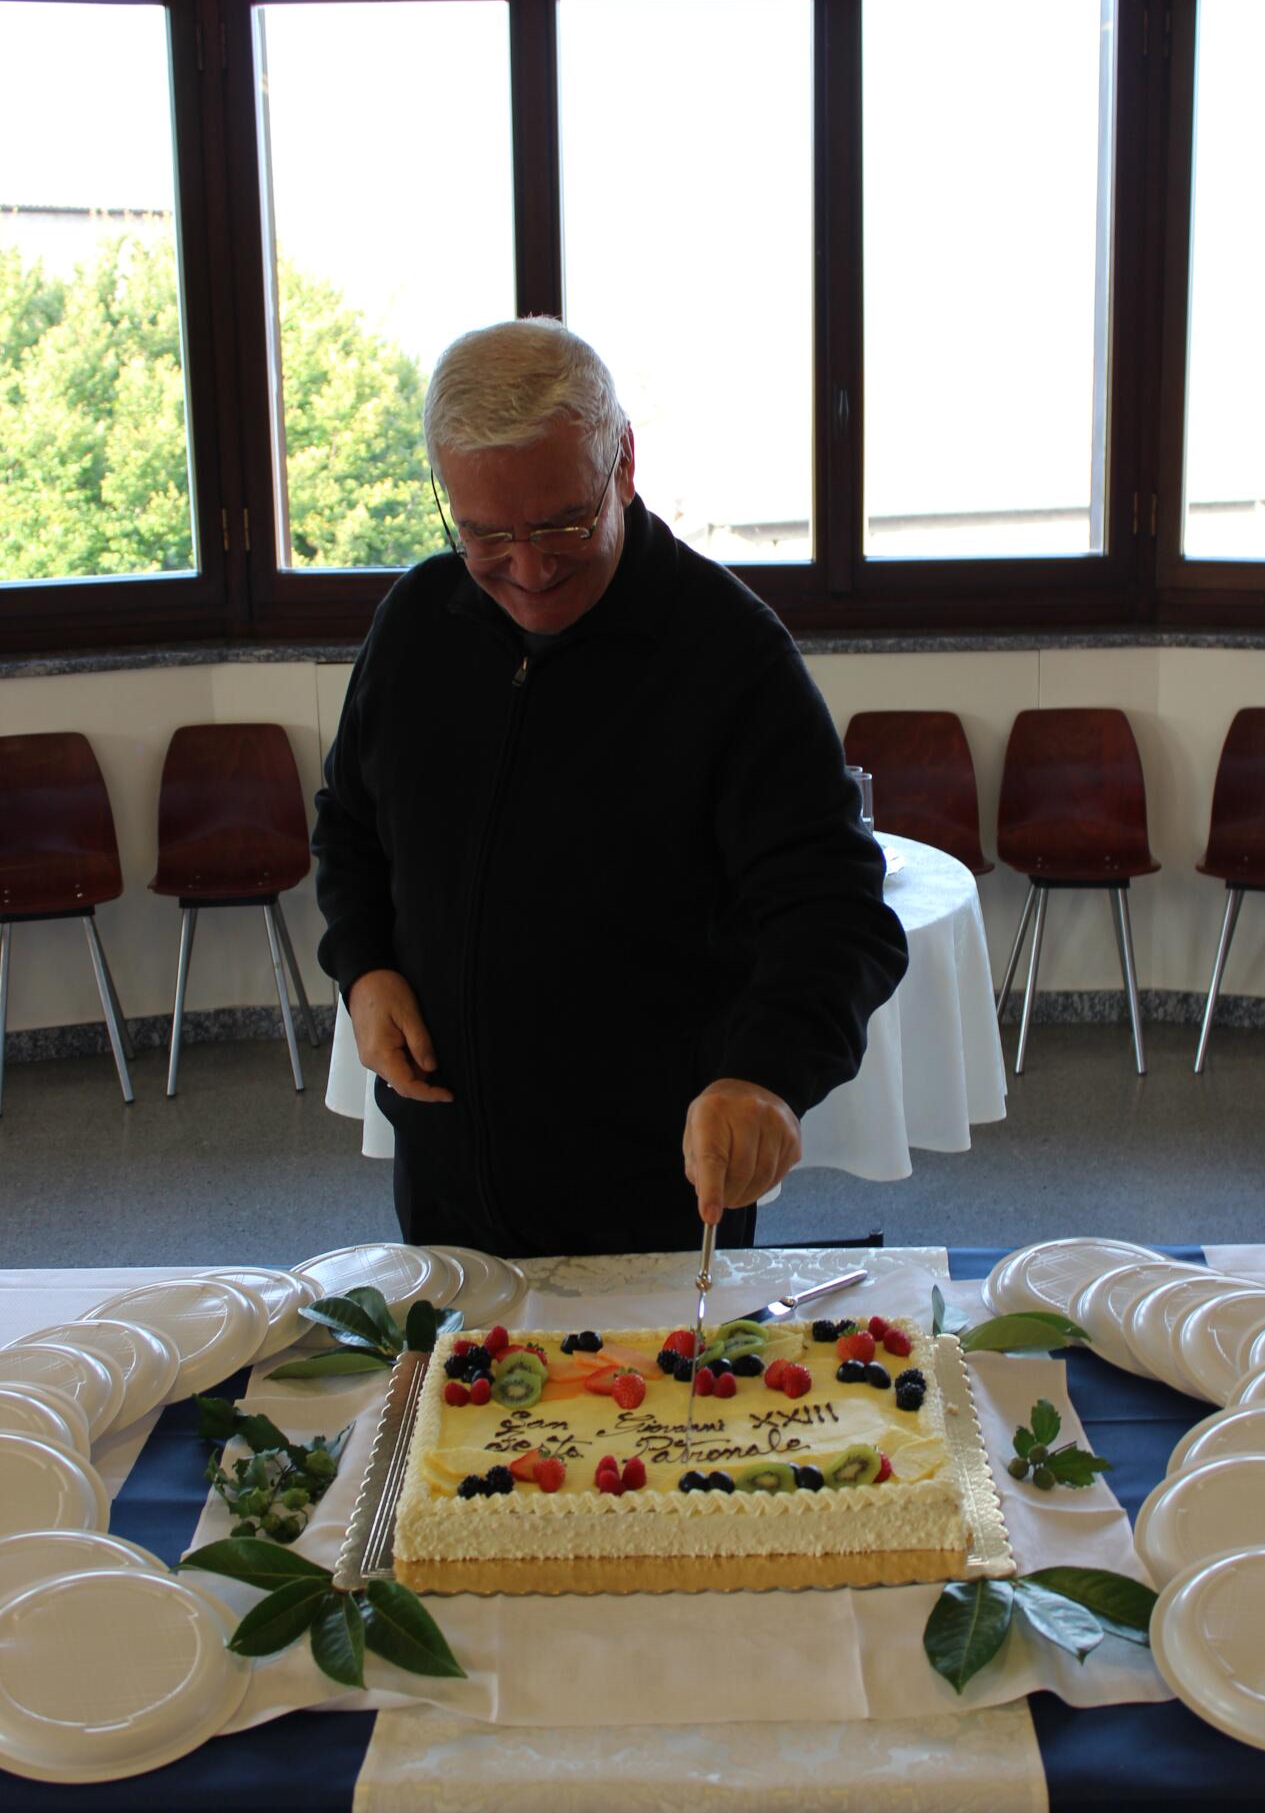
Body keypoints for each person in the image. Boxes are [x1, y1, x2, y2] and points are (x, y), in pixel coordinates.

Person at [312, 317, 907, 1256]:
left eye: (562, 523)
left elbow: (834, 909)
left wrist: (764, 1075)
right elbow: (349, 822)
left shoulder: (730, 655)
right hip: (446, 1186)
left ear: (623, 461)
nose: (530, 569)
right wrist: (365, 965)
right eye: (485, 535)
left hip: (650, 1198)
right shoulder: (416, 623)